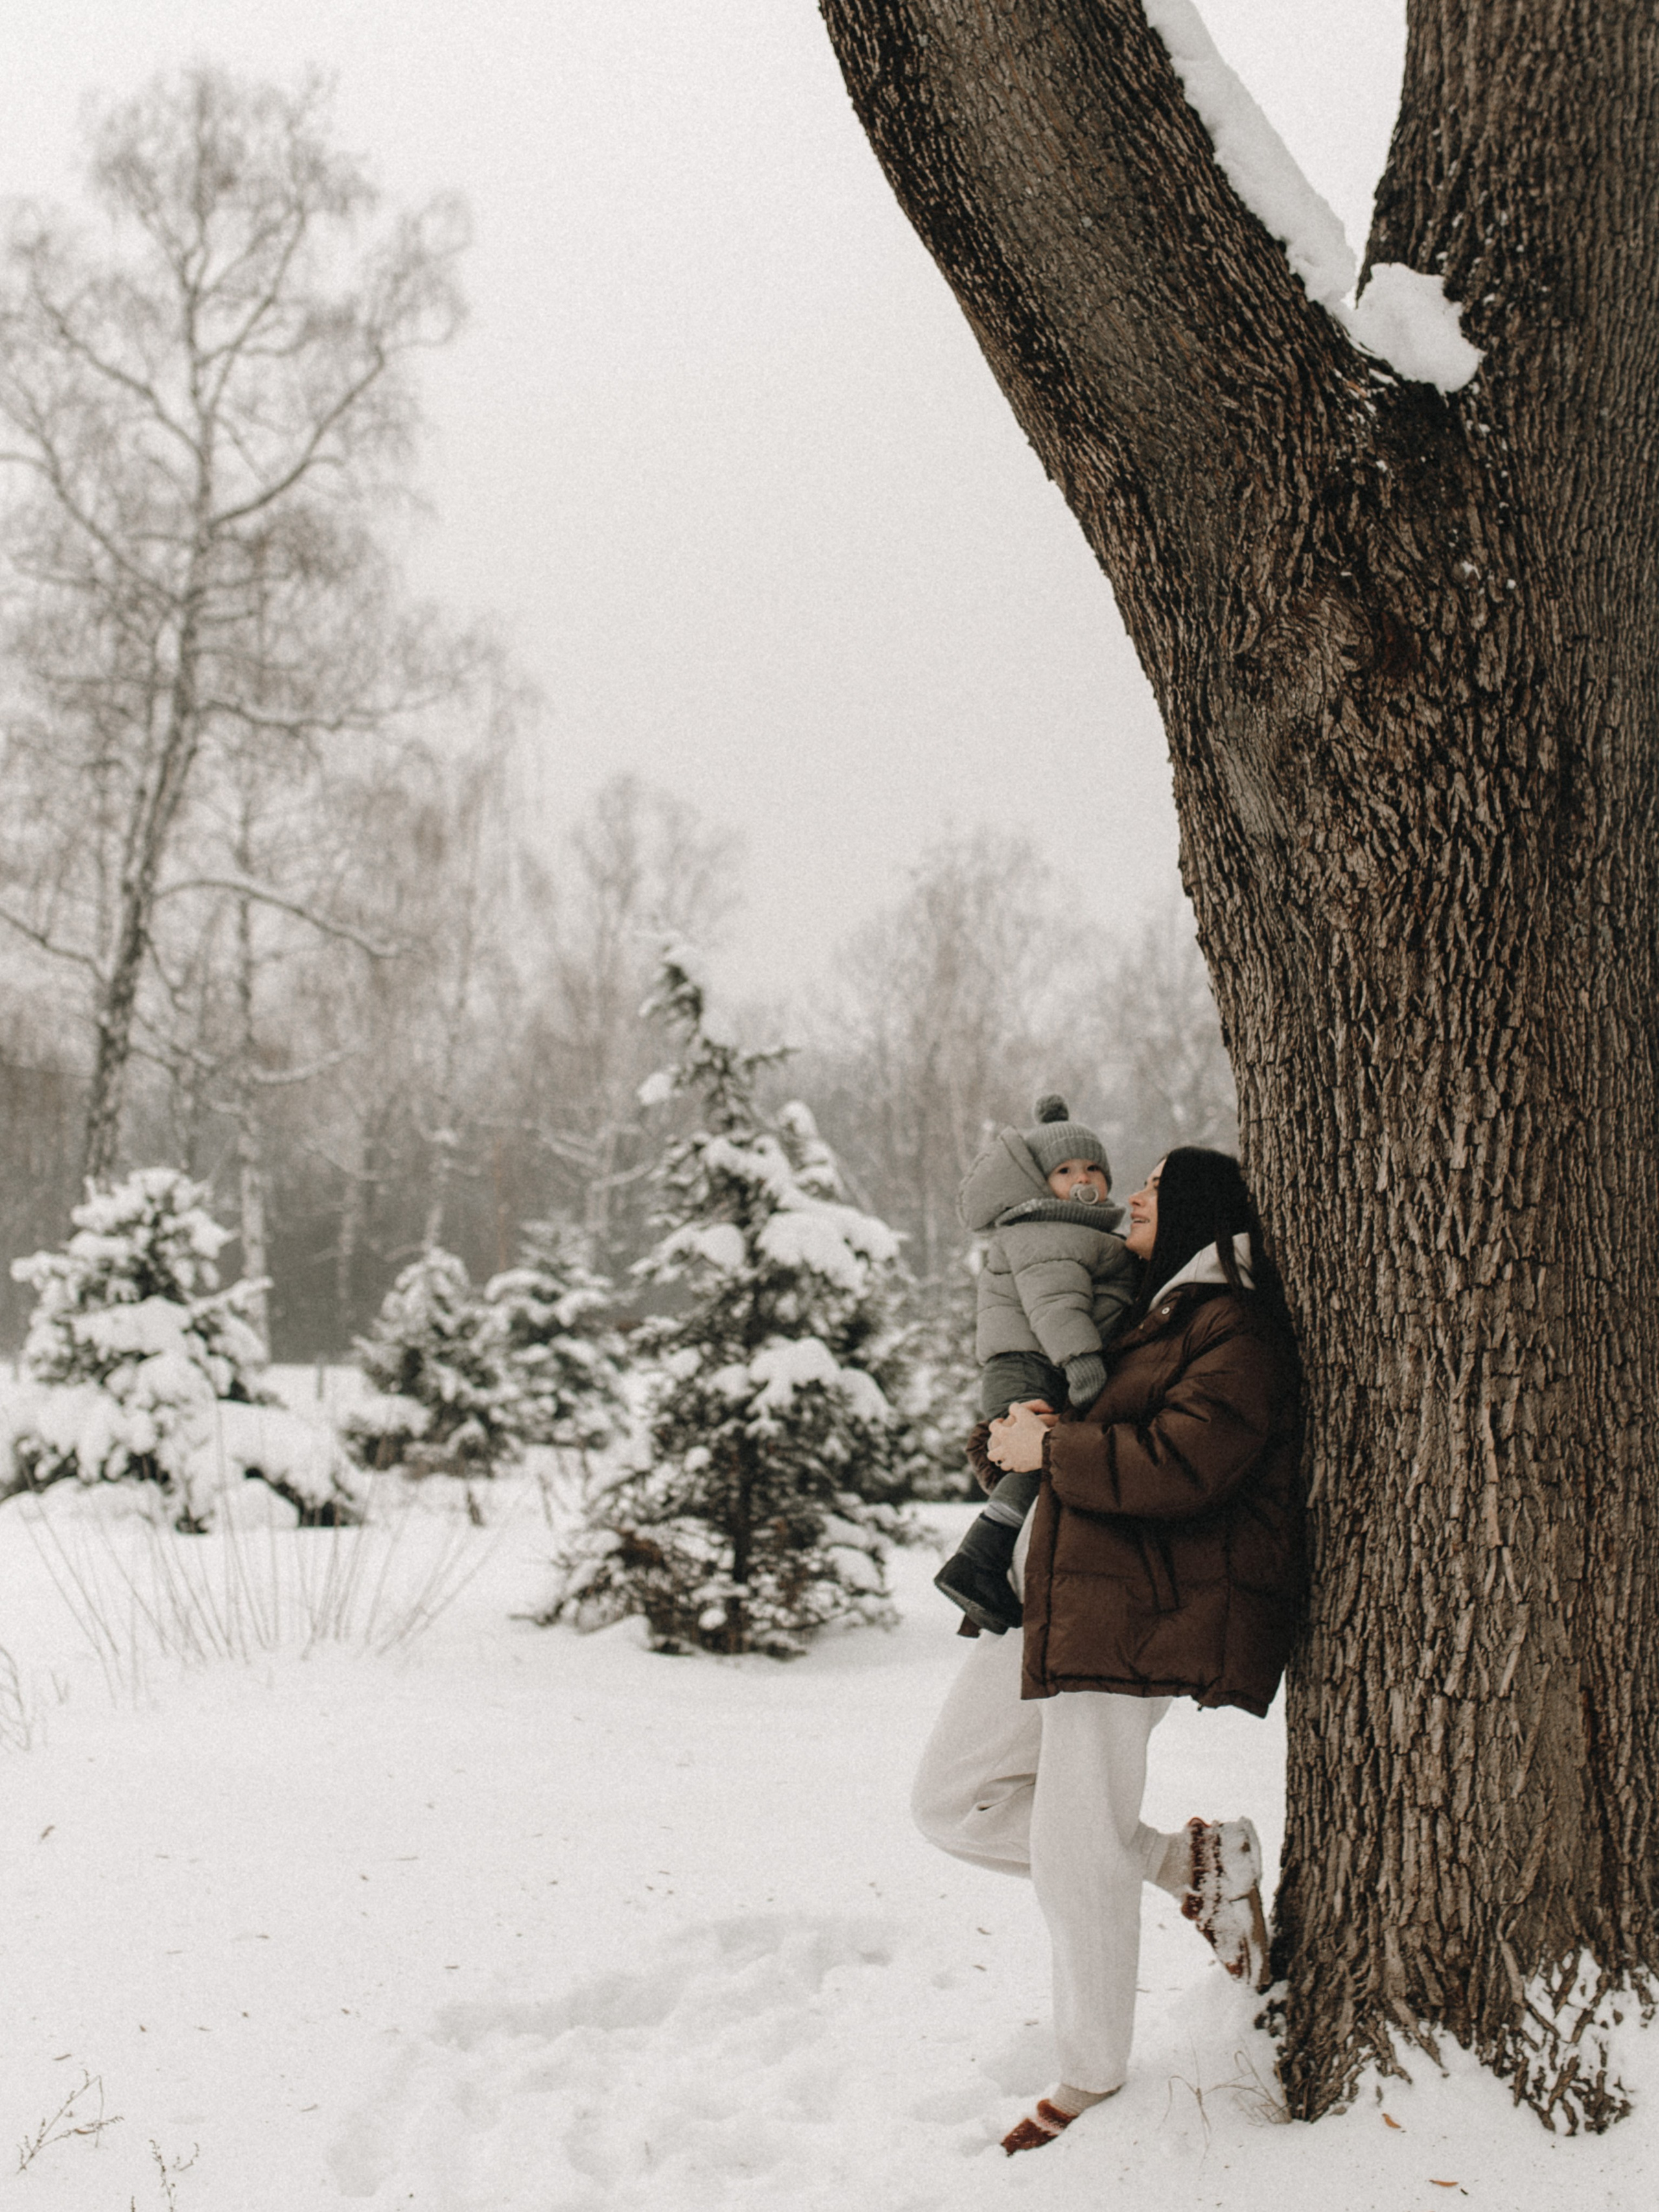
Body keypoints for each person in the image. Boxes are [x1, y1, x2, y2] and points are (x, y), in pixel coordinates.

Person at [911, 1146, 1304, 2156]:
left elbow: (1188, 1462)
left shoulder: (1234, 1326)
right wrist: (1013, 1435)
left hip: (1129, 1611)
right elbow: (1068, 1444)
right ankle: (1193, 1865)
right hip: (1045, 1598)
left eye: (1157, 1186)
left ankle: (1090, 2073)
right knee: (953, 1801)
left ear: (1202, 1210)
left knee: (1076, 1845)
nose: (1133, 1195)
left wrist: (1055, 1449)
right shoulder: (1144, 1316)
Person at [934, 1095, 1139, 1635]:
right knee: (1038, 1460)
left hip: (1033, 1362)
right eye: (1065, 1170)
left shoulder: (1077, 1231)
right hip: (1029, 1364)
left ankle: (989, 1566)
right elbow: (1056, 1305)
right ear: (1039, 1183)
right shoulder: (1045, 1229)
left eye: (1092, 1167)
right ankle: (979, 1559)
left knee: (1042, 1461)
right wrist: (1083, 1361)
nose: (1082, 1178)